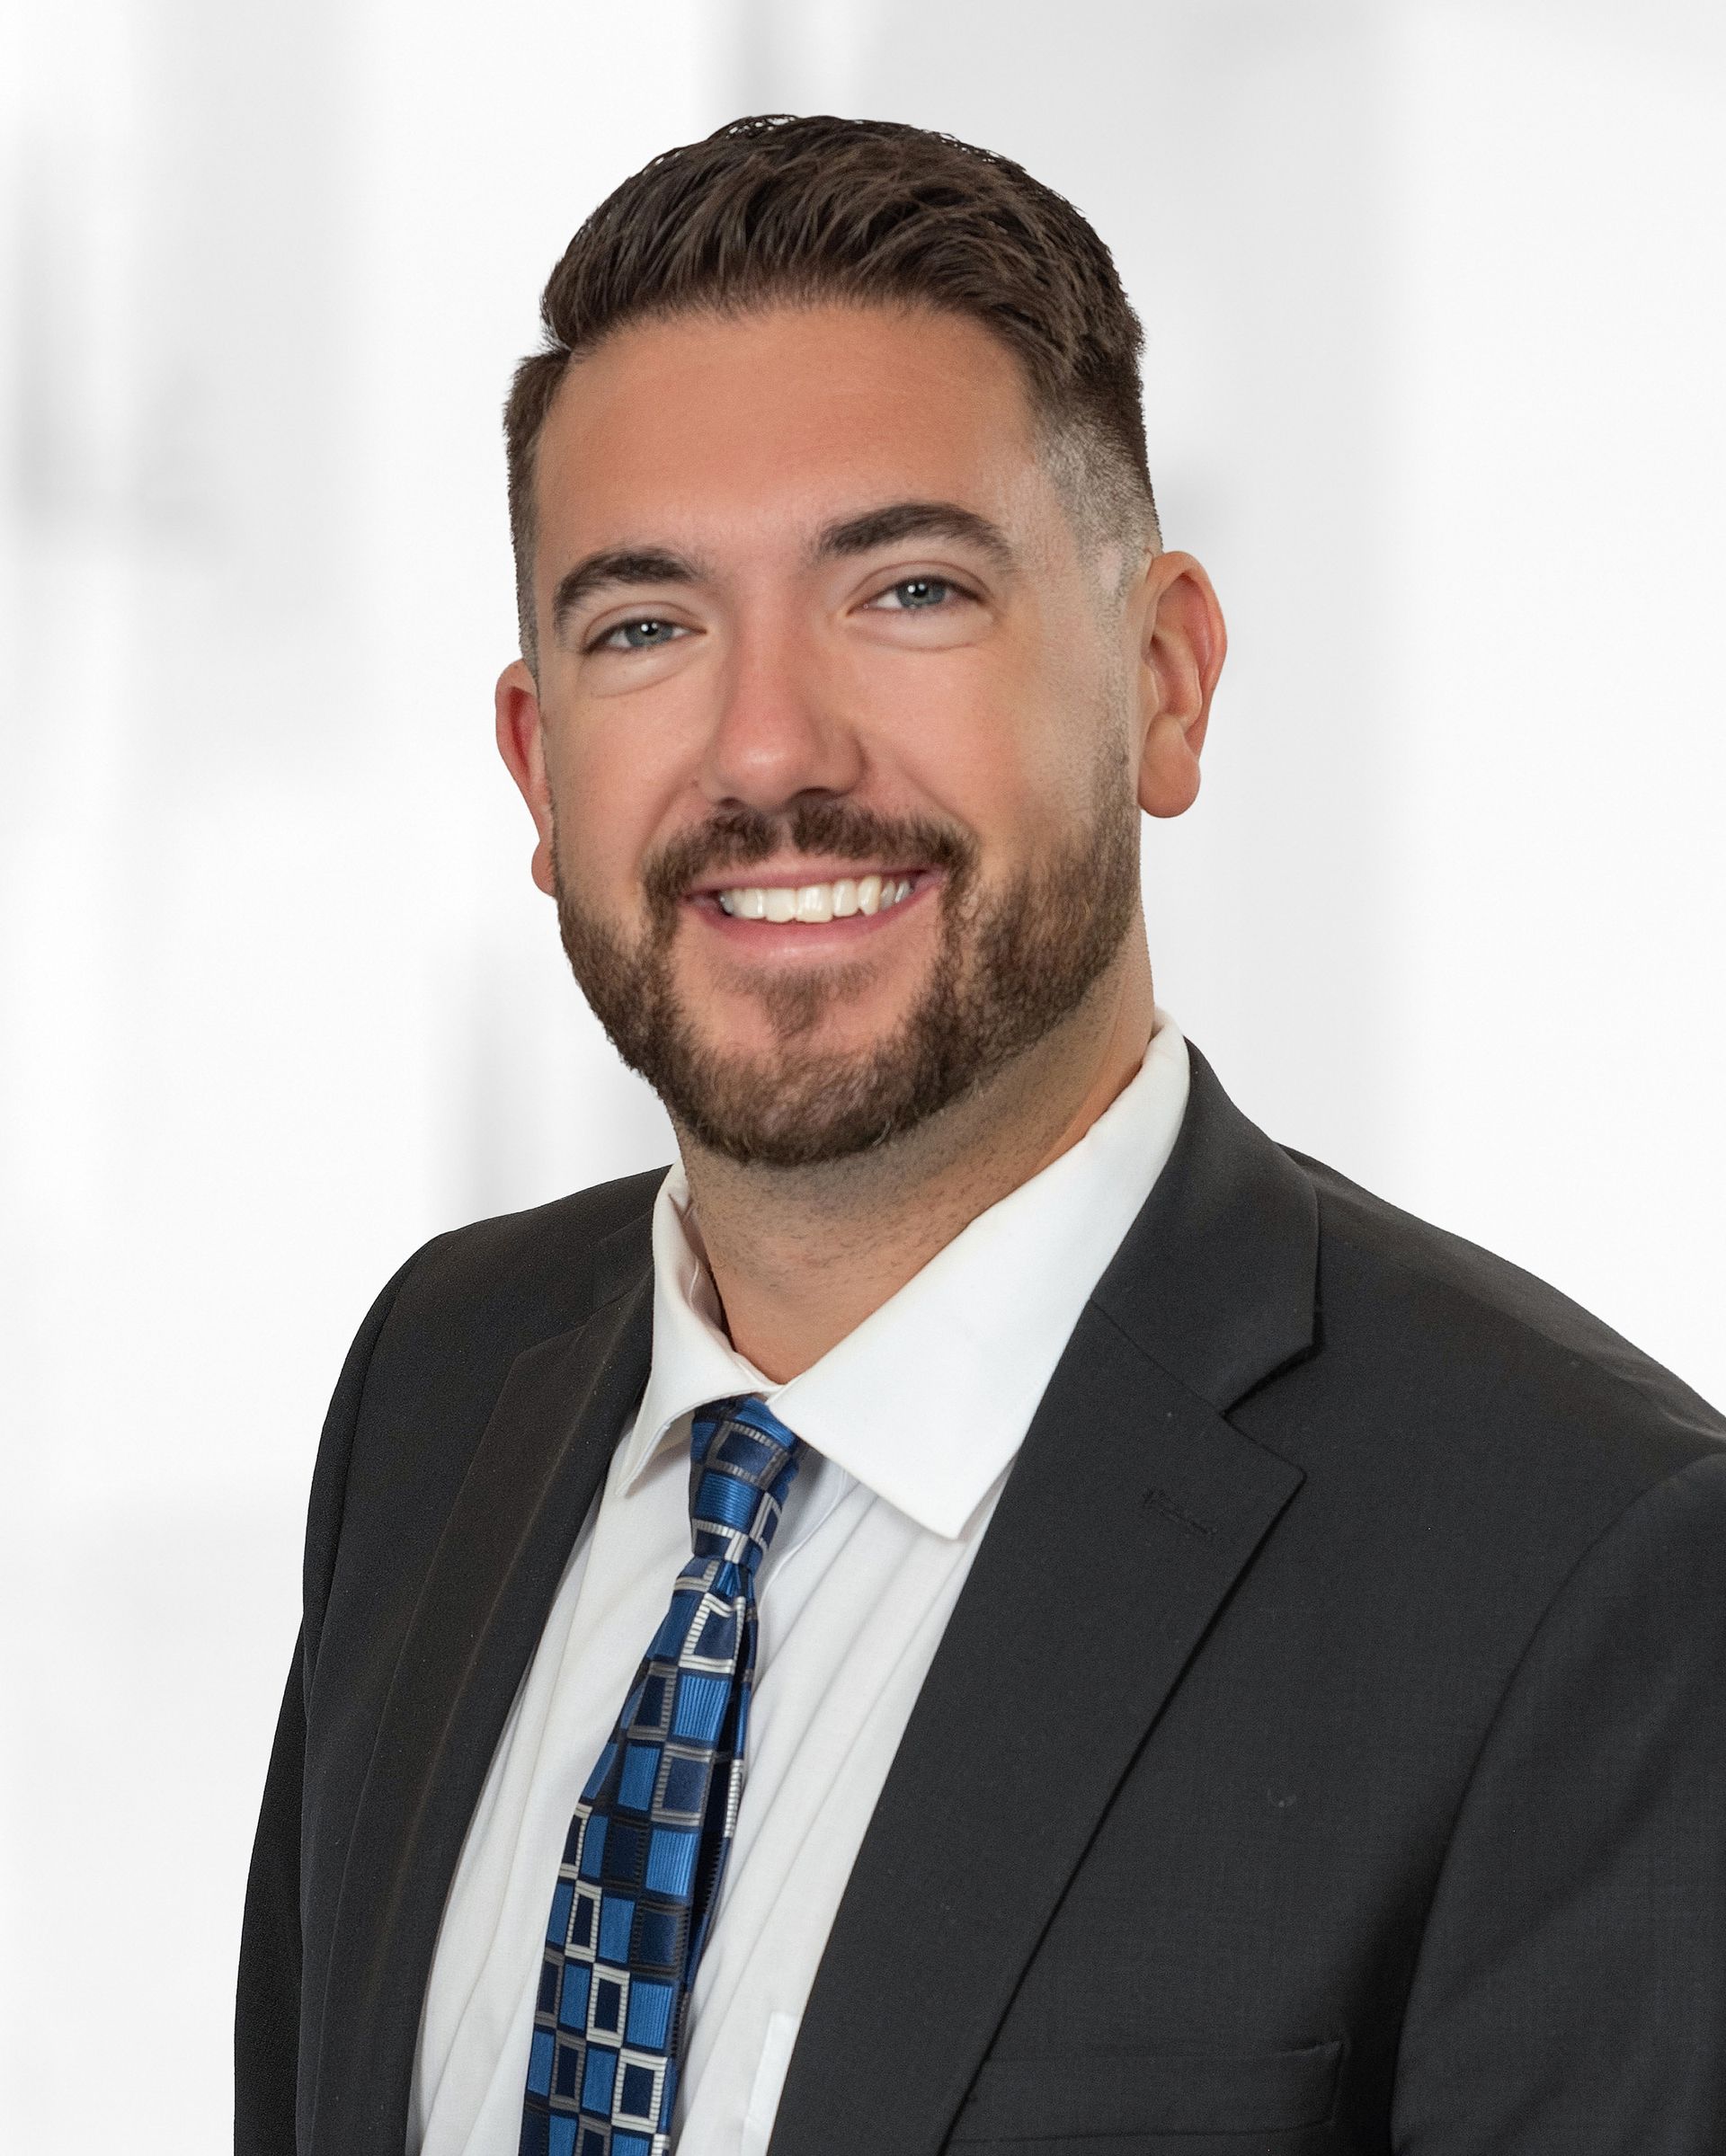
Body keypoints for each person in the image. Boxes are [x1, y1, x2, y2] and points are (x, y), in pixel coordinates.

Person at [235, 114, 1726, 2156]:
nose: (770, 751)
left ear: (1165, 682)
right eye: (646, 627)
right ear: (538, 764)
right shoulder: (434, 1388)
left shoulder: (1583, 1570)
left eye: (910, 589)